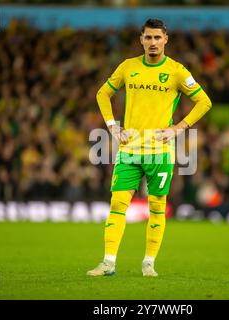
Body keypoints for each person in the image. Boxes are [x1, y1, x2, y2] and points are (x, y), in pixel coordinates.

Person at [87, 18, 212, 277]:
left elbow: (204, 101)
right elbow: (102, 94)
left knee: (157, 207)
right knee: (117, 205)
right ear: (140, 40)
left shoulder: (177, 71)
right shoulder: (128, 67)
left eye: (157, 38)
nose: (152, 42)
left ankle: (148, 264)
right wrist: (112, 126)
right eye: (148, 38)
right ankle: (108, 262)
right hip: (129, 150)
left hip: (160, 152)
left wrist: (178, 128)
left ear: (166, 39)